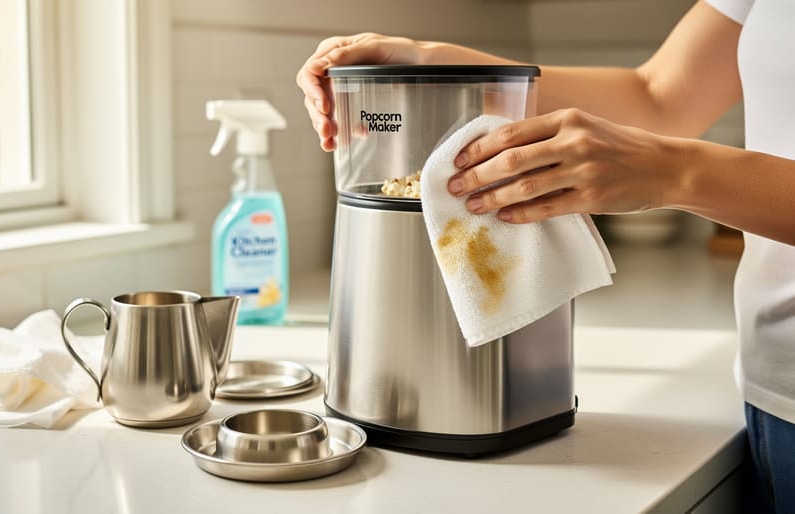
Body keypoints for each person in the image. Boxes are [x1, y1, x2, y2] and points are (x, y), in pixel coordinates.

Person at [297, 0, 794, 511]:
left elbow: (663, 132)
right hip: (769, 387)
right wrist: (428, 60)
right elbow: (658, 99)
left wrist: (675, 171)